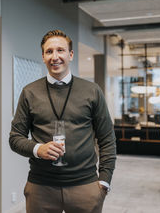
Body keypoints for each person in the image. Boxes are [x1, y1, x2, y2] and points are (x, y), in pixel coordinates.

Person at [9, 29, 116, 213]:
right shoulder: (30, 92)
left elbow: (107, 138)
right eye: (49, 51)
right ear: (43, 56)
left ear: (71, 54)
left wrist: (104, 181)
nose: (55, 56)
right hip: (41, 187)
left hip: (85, 186)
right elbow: (15, 138)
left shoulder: (92, 91)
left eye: (60, 50)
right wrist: (38, 149)